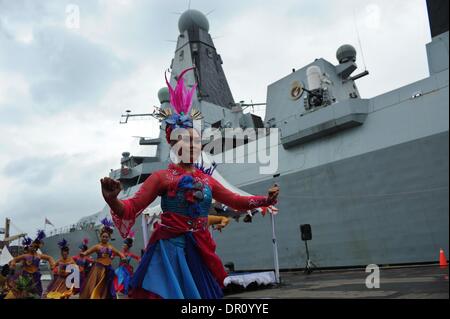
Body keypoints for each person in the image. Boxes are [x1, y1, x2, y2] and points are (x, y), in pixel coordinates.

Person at [100, 67, 280, 299]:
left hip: (199, 248)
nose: (193, 145)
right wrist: (113, 199)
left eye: (196, 141)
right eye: (186, 140)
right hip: (170, 253)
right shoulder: (161, 178)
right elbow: (130, 209)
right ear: (174, 144)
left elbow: (235, 200)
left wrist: (265, 200)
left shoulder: (207, 180)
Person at [79, 219, 125, 299]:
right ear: (100, 237)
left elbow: (118, 252)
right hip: (98, 269)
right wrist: (83, 254)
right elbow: (88, 252)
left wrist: (123, 256)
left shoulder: (110, 247)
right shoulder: (97, 246)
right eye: (103, 236)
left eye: (106, 237)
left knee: (107, 285)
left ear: (109, 238)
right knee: (97, 285)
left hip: (108, 269)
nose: (104, 238)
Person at [7, 232, 55, 298]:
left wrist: (52, 264)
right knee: (24, 291)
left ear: (36, 247)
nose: (32, 247)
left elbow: (49, 258)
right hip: (26, 275)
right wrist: (13, 263)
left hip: (36, 275)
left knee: (38, 291)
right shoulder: (25, 255)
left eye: (34, 246)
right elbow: (15, 259)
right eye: (31, 246)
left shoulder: (39, 256)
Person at [114, 231, 140, 297]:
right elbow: (114, 254)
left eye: (124, 245)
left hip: (127, 270)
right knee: (119, 279)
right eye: (123, 245)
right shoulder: (120, 253)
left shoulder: (130, 254)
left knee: (127, 280)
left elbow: (137, 257)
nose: (123, 246)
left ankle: (125, 292)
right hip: (121, 269)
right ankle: (118, 291)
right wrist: (111, 256)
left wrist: (140, 259)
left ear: (128, 246)